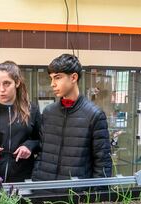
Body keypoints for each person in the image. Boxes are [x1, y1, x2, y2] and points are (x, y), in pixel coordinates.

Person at [32, 54, 112, 186]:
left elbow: (102, 162)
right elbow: (41, 151)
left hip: (75, 194)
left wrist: (97, 198)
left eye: (57, 78)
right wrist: (36, 180)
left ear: (74, 77)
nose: (52, 84)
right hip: (43, 189)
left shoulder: (94, 115)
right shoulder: (48, 112)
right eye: (51, 78)